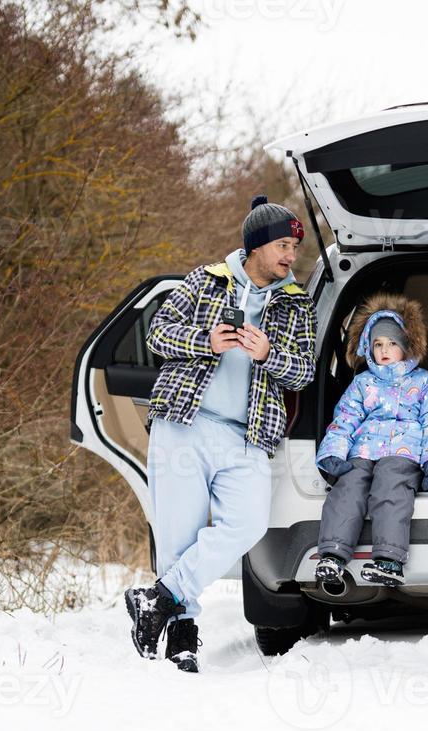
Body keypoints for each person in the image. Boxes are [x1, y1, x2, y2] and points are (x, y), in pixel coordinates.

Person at [124, 195, 316, 673]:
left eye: (294, 246)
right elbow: (157, 334)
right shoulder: (204, 280)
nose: (291, 256)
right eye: (282, 246)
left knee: (247, 524)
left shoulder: (296, 304)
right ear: (254, 247)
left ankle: (159, 597)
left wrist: (269, 353)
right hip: (183, 423)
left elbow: (304, 372)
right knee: (178, 537)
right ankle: (181, 639)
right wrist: (205, 341)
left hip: (248, 436)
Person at [313, 294, 428, 587]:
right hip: (362, 450)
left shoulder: (424, 381)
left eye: (392, 343)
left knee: (390, 487)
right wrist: (333, 453)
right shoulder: (362, 383)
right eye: (377, 344)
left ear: (406, 346)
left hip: (404, 452)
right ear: (368, 348)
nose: (384, 350)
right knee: (347, 488)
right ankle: (333, 555)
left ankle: (388, 559)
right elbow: (345, 419)